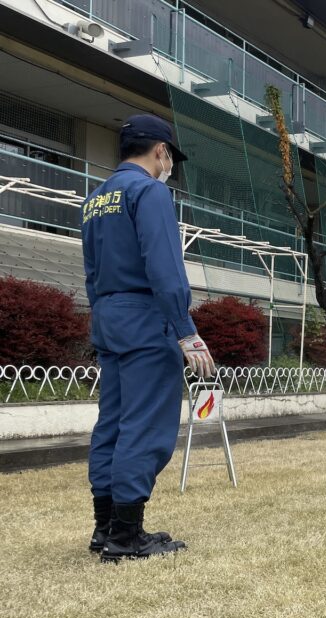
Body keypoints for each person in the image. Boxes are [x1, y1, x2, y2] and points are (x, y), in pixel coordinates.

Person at [82, 114, 215, 563]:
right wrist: (185, 330)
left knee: (113, 423)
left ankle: (105, 527)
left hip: (108, 315)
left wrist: (103, 316)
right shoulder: (150, 191)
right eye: (169, 157)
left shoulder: (96, 199)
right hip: (145, 316)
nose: (169, 165)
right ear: (161, 150)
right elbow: (164, 267)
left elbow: (91, 271)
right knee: (145, 425)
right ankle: (126, 536)